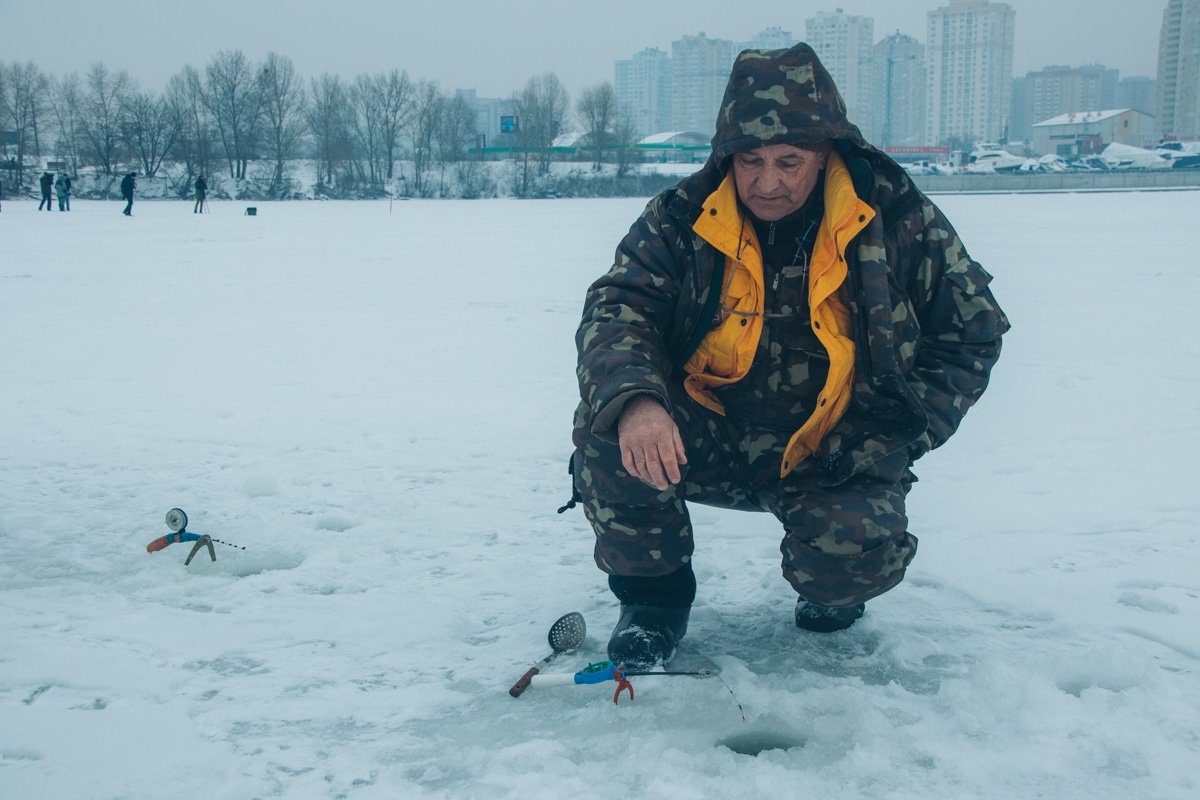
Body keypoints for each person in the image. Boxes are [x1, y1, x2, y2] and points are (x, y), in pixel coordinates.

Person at [570, 43, 1010, 669]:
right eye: (749, 160)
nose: (766, 182)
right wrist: (638, 401)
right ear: (727, 157)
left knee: (848, 560)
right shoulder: (680, 218)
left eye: (788, 161)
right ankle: (653, 604)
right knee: (610, 429)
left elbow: (973, 333)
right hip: (711, 431)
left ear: (826, 153)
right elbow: (618, 310)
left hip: (835, 445)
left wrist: (900, 434)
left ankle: (831, 591)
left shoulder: (898, 219)